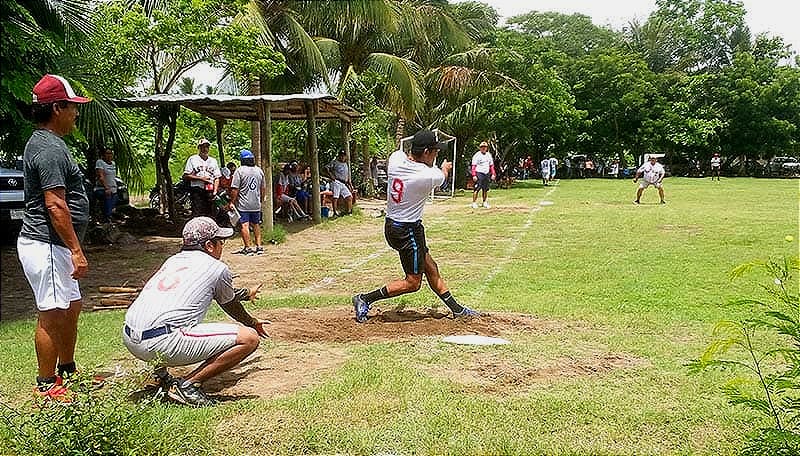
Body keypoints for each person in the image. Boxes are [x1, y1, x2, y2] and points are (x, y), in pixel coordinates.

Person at [122, 217, 269, 406]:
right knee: (249, 338)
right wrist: (251, 322)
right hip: (161, 343)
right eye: (220, 242)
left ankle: (161, 377)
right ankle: (188, 386)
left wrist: (246, 294)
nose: (221, 246)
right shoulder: (217, 267)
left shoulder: (172, 261)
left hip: (131, 340)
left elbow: (220, 293)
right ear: (209, 245)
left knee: (167, 318)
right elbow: (229, 302)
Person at [352, 129, 480, 323]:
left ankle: (457, 310)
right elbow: (442, 175)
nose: (436, 154)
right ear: (426, 152)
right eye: (435, 151)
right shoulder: (428, 175)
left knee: (431, 267)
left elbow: (402, 153)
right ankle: (365, 298)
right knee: (413, 282)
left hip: (396, 225)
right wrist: (445, 167)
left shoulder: (396, 159)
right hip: (406, 230)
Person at [18, 74, 91, 400]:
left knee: (71, 306)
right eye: (72, 107)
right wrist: (76, 250)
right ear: (57, 108)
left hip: (55, 245)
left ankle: (67, 369)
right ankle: (46, 385)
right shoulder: (48, 148)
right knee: (52, 312)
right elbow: (55, 204)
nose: (76, 113)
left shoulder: (51, 144)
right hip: (47, 244)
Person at [230, 149, 266, 255]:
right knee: (256, 224)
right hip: (256, 204)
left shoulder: (239, 171)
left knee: (244, 225)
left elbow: (235, 189)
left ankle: (248, 248)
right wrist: (261, 200)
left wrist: (232, 202)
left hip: (243, 204)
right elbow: (263, 188)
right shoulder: (259, 170)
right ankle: (259, 246)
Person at [183, 138, 221, 217]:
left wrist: (215, 191)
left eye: (207, 147)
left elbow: (217, 177)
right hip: (197, 189)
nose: (205, 149)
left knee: (210, 213)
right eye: (202, 147)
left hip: (210, 190)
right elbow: (186, 175)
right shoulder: (193, 159)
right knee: (198, 212)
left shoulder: (213, 161)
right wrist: (201, 178)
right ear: (199, 148)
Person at [94, 147, 117, 223]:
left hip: (113, 189)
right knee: (107, 208)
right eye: (107, 153)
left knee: (112, 208)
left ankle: (109, 219)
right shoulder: (100, 162)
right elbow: (101, 177)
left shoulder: (113, 164)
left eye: (110, 153)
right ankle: (106, 220)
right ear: (103, 155)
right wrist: (106, 188)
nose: (109, 155)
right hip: (103, 189)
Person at [326, 151, 354, 216]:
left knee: (349, 196)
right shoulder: (335, 162)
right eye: (341, 155)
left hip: (344, 183)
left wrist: (350, 185)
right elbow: (326, 168)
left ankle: (349, 212)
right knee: (335, 197)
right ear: (339, 156)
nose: (342, 157)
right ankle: (335, 212)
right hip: (336, 182)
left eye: (344, 156)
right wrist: (331, 175)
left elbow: (347, 175)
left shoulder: (346, 164)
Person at [470, 141, 495, 208]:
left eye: (485, 147)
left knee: (485, 189)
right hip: (479, 173)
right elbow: (473, 166)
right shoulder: (477, 155)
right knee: (477, 188)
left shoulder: (488, 155)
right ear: (480, 148)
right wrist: (474, 175)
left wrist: (493, 173)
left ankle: (484, 202)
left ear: (487, 148)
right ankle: (474, 202)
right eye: (482, 147)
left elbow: (491, 165)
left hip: (486, 173)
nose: (483, 148)